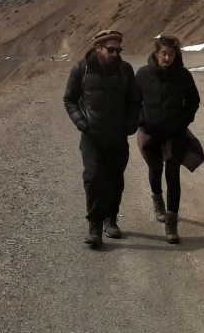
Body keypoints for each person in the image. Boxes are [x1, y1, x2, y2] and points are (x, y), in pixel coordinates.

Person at [63, 28, 140, 249]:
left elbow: (135, 101)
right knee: (94, 176)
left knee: (115, 179)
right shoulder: (81, 69)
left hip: (117, 137)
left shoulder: (125, 70)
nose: (115, 53)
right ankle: (94, 225)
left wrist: (131, 123)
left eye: (118, 49)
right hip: (92, 137)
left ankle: (111, 218)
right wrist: (82, 123)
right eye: (111, 49)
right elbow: (69, 99)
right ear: (98, 48)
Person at [135, 35, 200, 244]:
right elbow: (133, 101)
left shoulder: (183, 75)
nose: (167, 57)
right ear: (156, 53)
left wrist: (182, 122)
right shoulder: (143, 74)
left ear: (176, 54)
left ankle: (171, 222)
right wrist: (141, 120)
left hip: (175, 134)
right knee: (155, 170)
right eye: (163, 53)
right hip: (149, 132)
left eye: (171, 54)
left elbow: (193, 101)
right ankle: (157, 201)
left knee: (173, 175)